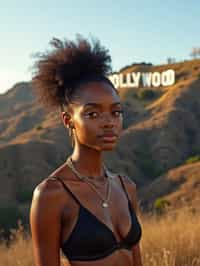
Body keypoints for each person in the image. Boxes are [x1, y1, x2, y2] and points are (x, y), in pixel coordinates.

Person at [30, 34, 143, 266]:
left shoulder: (126, 186)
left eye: (116, 112)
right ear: (68, 119)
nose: (109, 122)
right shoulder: (51, 195)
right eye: (93, 113)